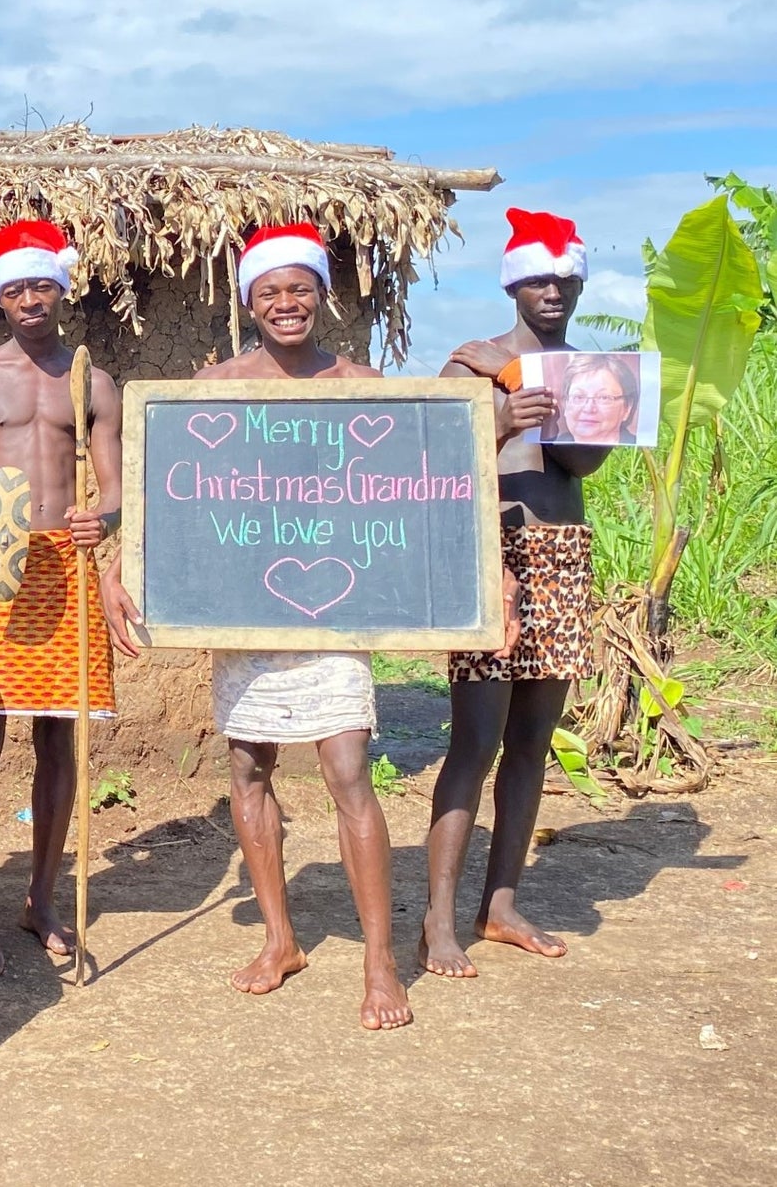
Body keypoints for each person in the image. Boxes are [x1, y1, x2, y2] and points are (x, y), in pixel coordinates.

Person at [194, 224, 412, 1030]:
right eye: (270, 292)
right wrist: (126, 568)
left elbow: (417, 483)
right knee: (249, 767)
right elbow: (174, 494)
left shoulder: (360, 382)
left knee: (347, 767)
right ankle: (280, 938)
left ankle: (381, 962)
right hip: (244, 599)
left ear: (322, 295)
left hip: (334, 596)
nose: (286, 304)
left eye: (301, 289)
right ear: (249, 302)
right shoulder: (213, 387)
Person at [426, 209, 608, 977]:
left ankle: (499, 905)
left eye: (565, 278)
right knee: (475, 738)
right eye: (539, 277)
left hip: (562, 553)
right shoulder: (473, 361)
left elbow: (584, 468)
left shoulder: (593, 374)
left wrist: (556, 413)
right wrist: (501, 418)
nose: (554, 290)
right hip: (491, 557)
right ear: (514, 284)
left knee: (532, 739)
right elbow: (427, 461)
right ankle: (437, 920)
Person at [0, 219, 120, 973]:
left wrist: (98, 520)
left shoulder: (92, 384)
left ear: (61, 288)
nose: (28, 299)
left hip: (67, 572)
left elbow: (113, 488)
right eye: (14, 288)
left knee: (61, 740)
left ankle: (41, 897)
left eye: (41, 284)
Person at [549, 352, 640, 445]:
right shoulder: (553, 447)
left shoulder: (642, 452)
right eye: (579, 397)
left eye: (603, 398)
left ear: (627, 407)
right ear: (566, 404)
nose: (588, 409)